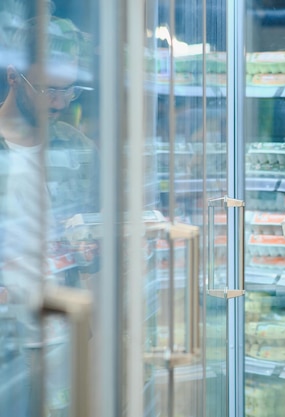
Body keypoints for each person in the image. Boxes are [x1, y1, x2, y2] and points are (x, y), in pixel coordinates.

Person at [0, 15, 98, 417]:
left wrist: (97, 247)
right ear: (13, 76)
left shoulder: (79, 149)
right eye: (47, 90)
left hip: (62, 329)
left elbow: (94, 233)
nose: (60, 103)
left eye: (70, 91)